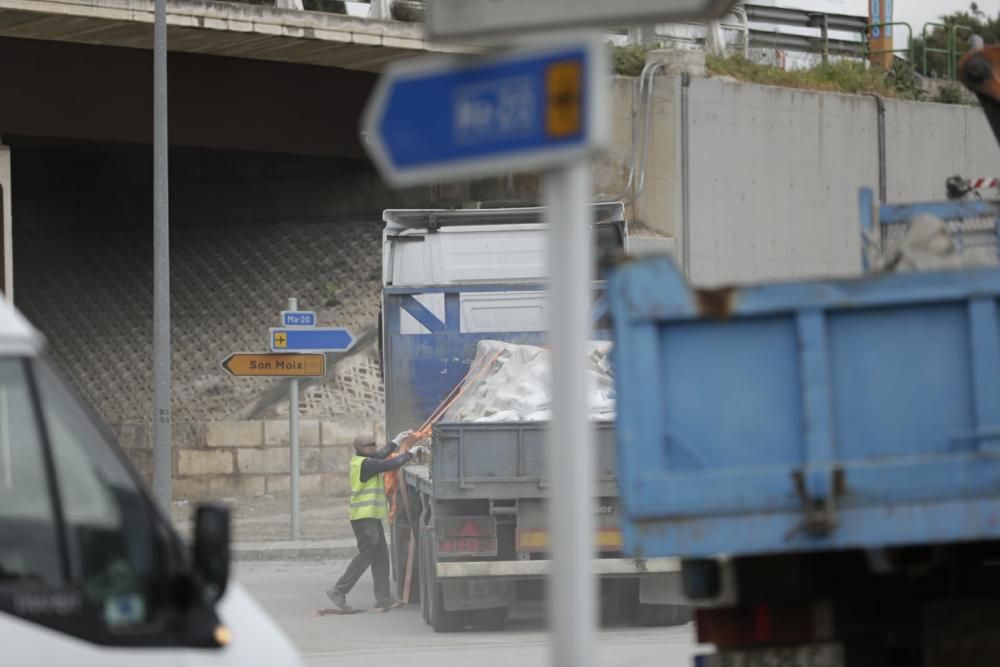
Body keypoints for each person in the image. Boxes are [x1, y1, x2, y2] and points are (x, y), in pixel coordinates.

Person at [326, 434, 426, 612]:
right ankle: (339, 590)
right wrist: (410, 453)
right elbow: (388, 464)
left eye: (374, 444)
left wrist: (395, 442)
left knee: (380, 555)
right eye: (371, 445)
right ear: (362, 449)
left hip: (370, 517)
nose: (374, 447)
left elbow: (380, 457)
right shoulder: (365, 464)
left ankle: (383, 598)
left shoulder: (365, 461)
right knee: (368, 554)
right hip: (363, 518)